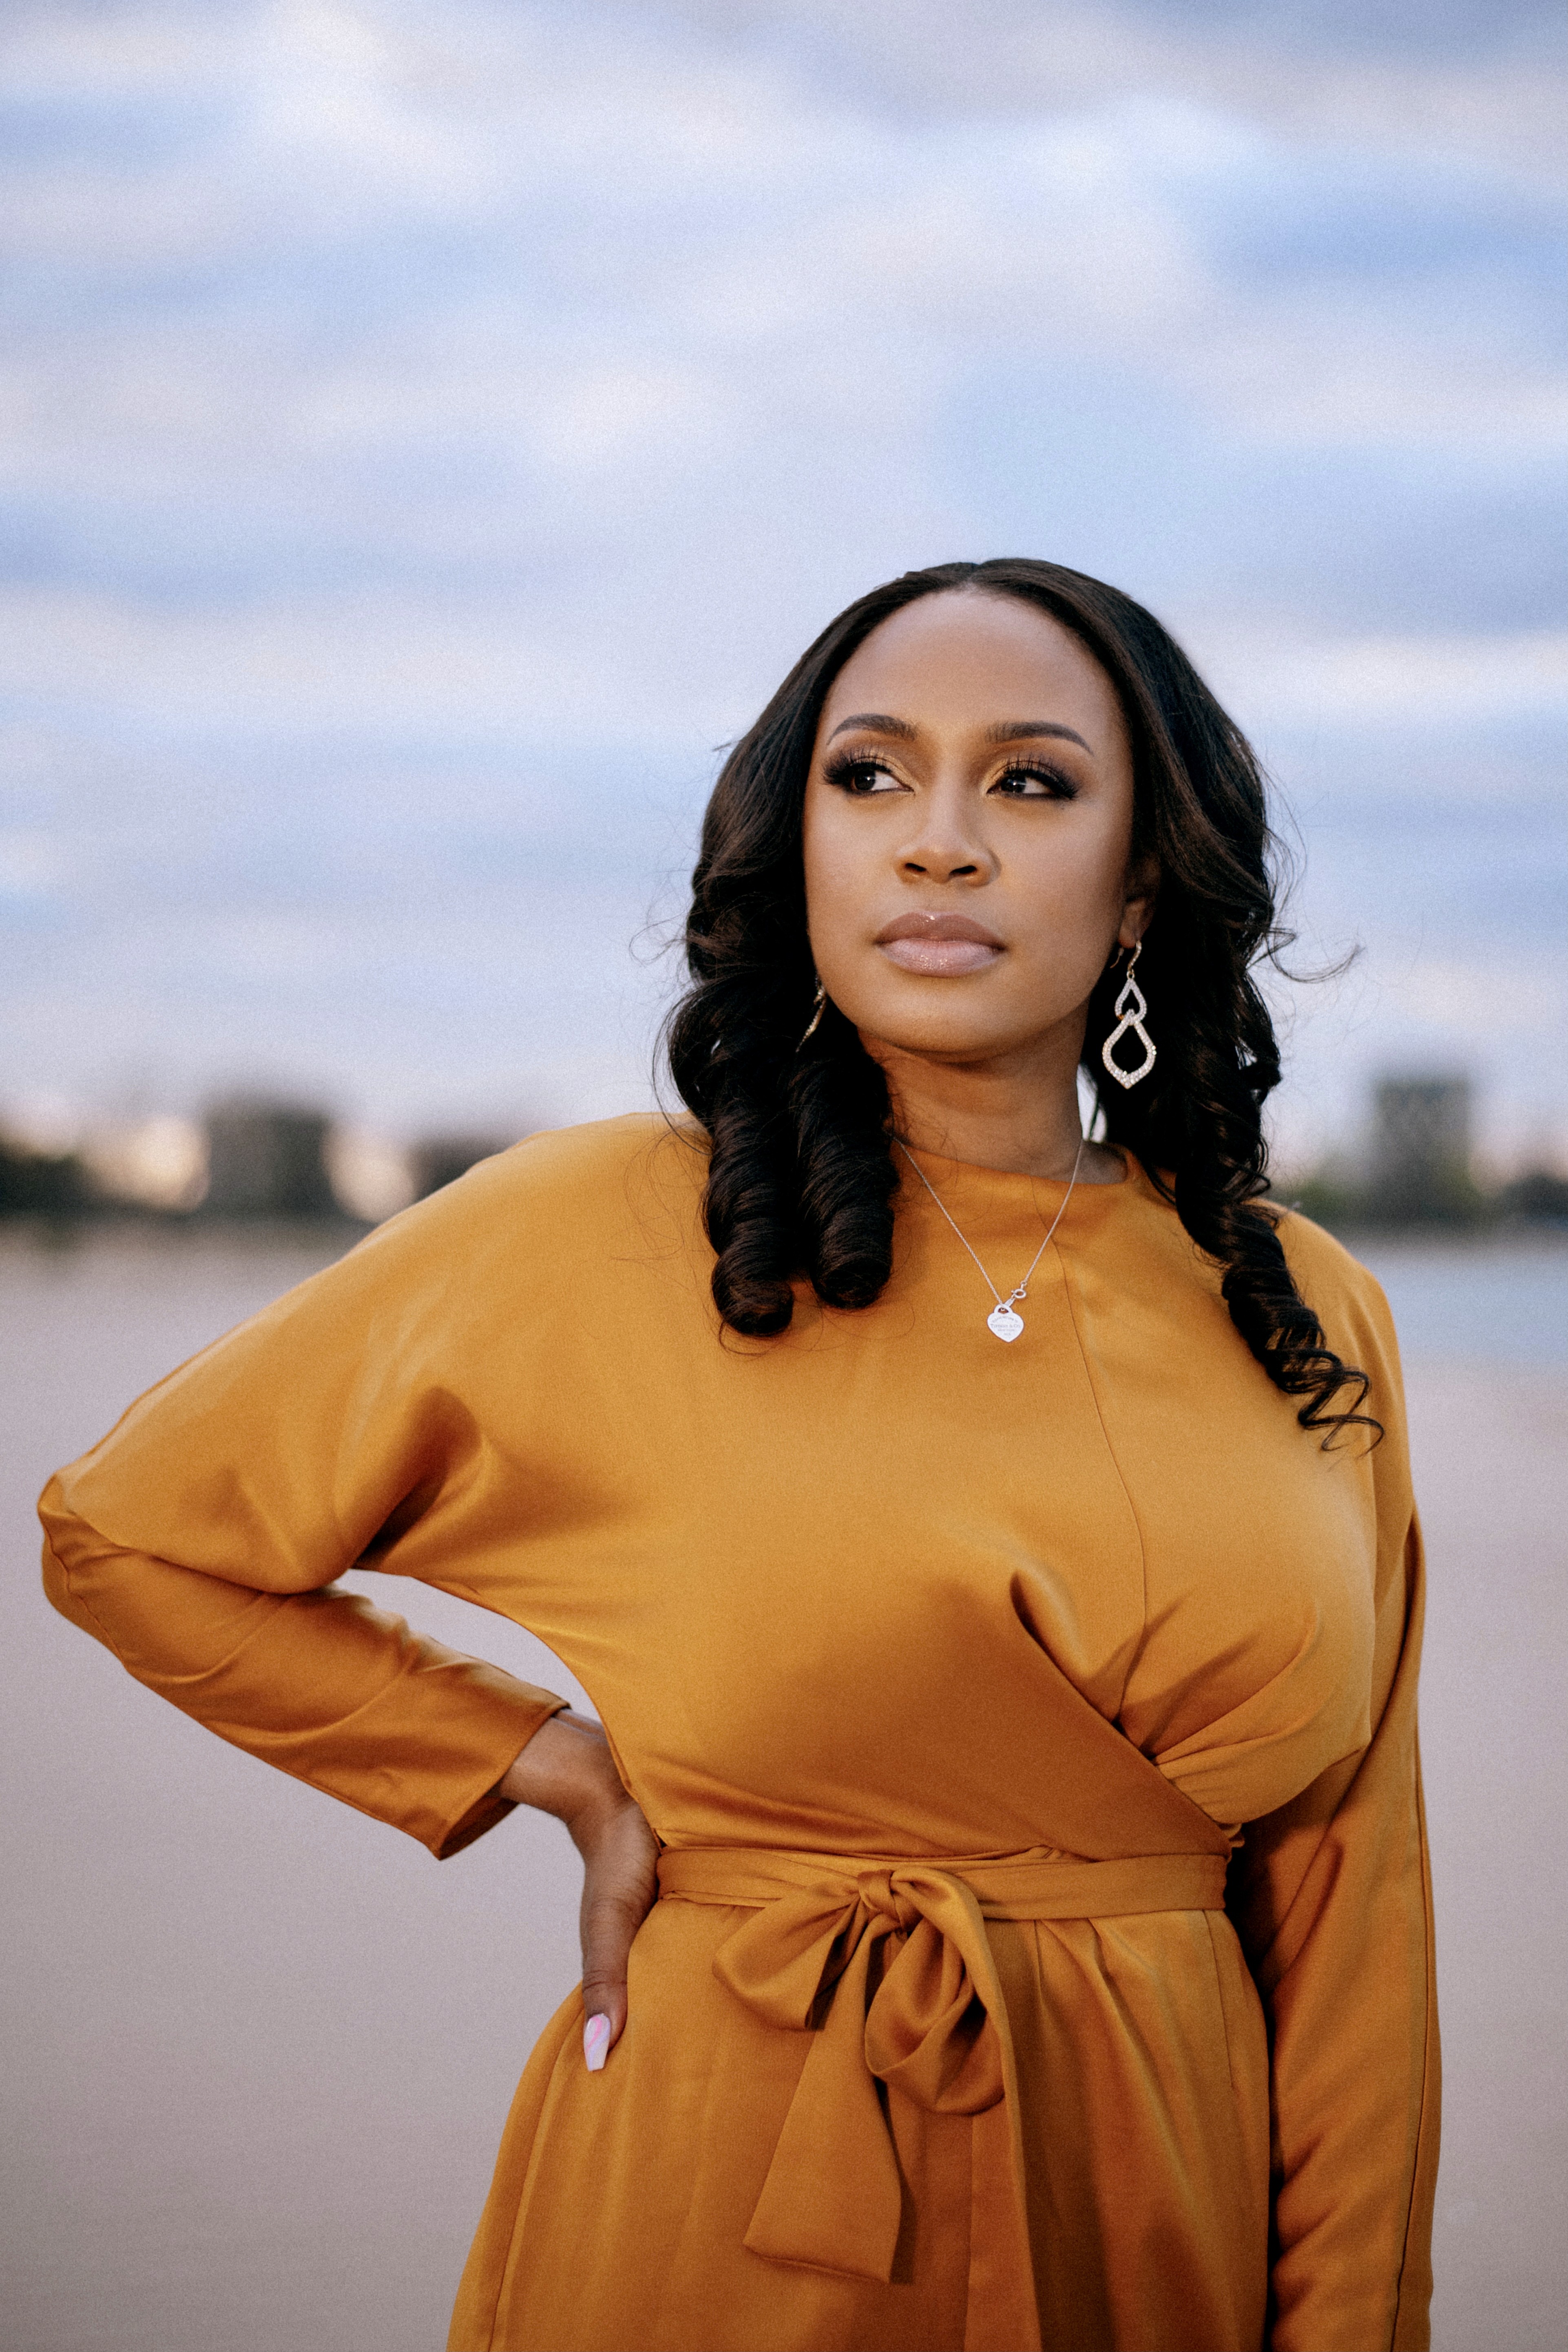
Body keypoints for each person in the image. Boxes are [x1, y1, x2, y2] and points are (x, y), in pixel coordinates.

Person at [40, 560, 1438, 2352]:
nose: (936, 841)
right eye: (867, 776)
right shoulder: (592, 1228)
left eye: (1027, 780)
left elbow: (1349, 1921)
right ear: (797, 848)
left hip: (1154, 2225)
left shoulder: (1301, 1308)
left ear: (1143, 869)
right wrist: (526, 1751)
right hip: (718, 2217)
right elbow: (128, 1534)